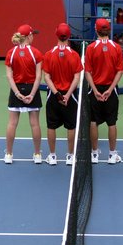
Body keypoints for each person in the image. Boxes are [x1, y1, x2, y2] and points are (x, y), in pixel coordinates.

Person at [42, 22, 83, 166]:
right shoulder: (74, 55)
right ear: (69, 36)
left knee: (51, 126)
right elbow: (77, 78)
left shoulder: (48, 54)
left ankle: (52, 156)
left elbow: (46, 77)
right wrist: (67, 95)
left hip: (54, 96)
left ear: (56, 35)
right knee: (71, 127)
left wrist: (57, 94)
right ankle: (70, 156)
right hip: (69, 96)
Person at [84, 18, 123, 165]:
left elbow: (87, 72)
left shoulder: (91, 48)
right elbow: (120, 71)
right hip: (111, 90)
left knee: (93, 122)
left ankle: (94, 154)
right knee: (111, 123)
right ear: (109, 30)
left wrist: (95, 90)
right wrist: (110, 89)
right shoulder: (116, 47)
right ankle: (112, 155)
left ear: (96, 30)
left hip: (95, 90)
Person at [3, 24, 43, 164]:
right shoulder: (36, 53)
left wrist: (17, 93)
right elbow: (38, 77)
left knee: (12, 123)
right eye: (32, 34)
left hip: (17, 89)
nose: (33, 37)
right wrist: (32, 94)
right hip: (32, 88)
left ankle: (8, 154)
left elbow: (9, 76)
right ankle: (37, 155)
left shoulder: (11, 53)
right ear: (28, 36)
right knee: (35, 124)